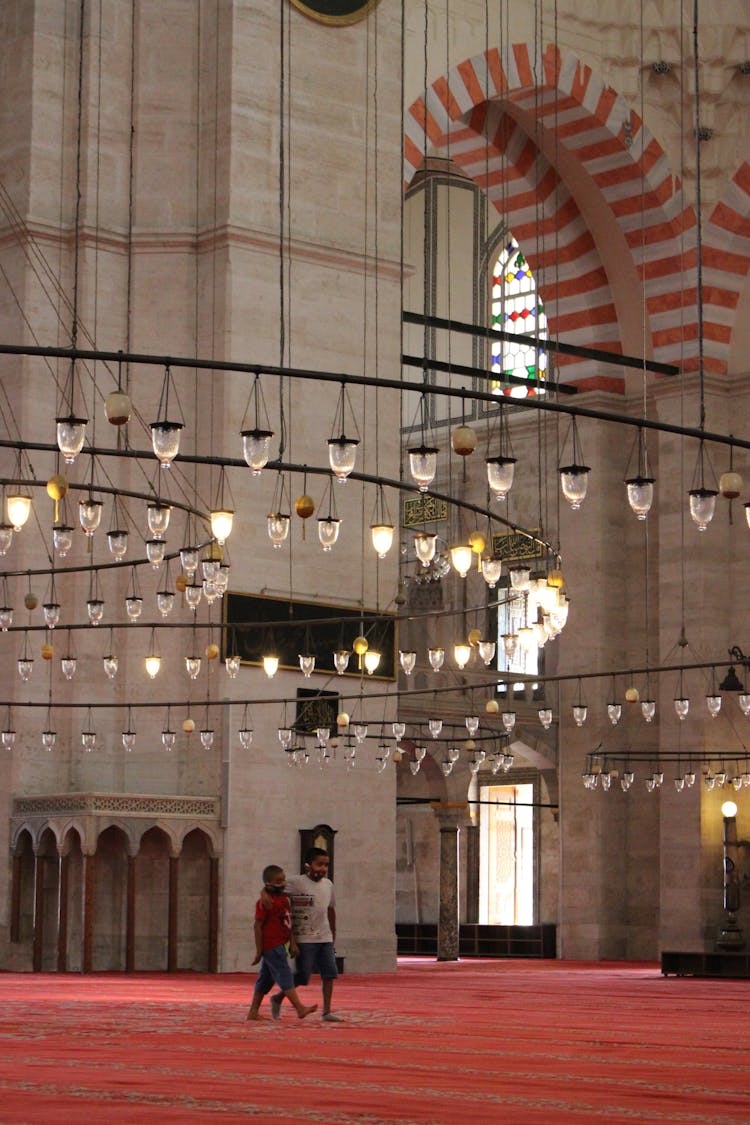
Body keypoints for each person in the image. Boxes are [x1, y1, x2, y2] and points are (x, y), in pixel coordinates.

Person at [271, 847, 343, 1022]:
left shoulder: (328, 884)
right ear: (308, 865)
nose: (323, 869)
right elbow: (273, 890)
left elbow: (331, 908)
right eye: (319, 864)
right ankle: (278, 997)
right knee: (303, 976)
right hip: (303, 937)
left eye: (326, 865)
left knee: (329, 973)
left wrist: (333, 932)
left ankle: (326, 1011)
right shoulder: (295, 882)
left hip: (324, 936)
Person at [246, 863, 317, 1022]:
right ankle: (299, 1007)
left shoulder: (284, 900)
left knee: (265, 979)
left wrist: (292, 942)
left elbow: (288, 922)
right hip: (271, 945)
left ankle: (253, 1012)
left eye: (283, 880)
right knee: (284, 974)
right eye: (278, 881)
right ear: (268, 884)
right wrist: (259, 950)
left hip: (281, 943)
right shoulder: (264, 903)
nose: (282, 884)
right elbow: (257, 926)